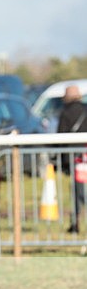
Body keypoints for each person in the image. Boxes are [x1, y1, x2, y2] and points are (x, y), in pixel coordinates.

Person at [57, 84, 87, 233]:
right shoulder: (85, 109)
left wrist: (59, 160)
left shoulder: (65, 112)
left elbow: (60, 136)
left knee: (78, 192)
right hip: (85, 154)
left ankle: (75, 224)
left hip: (74, 159)